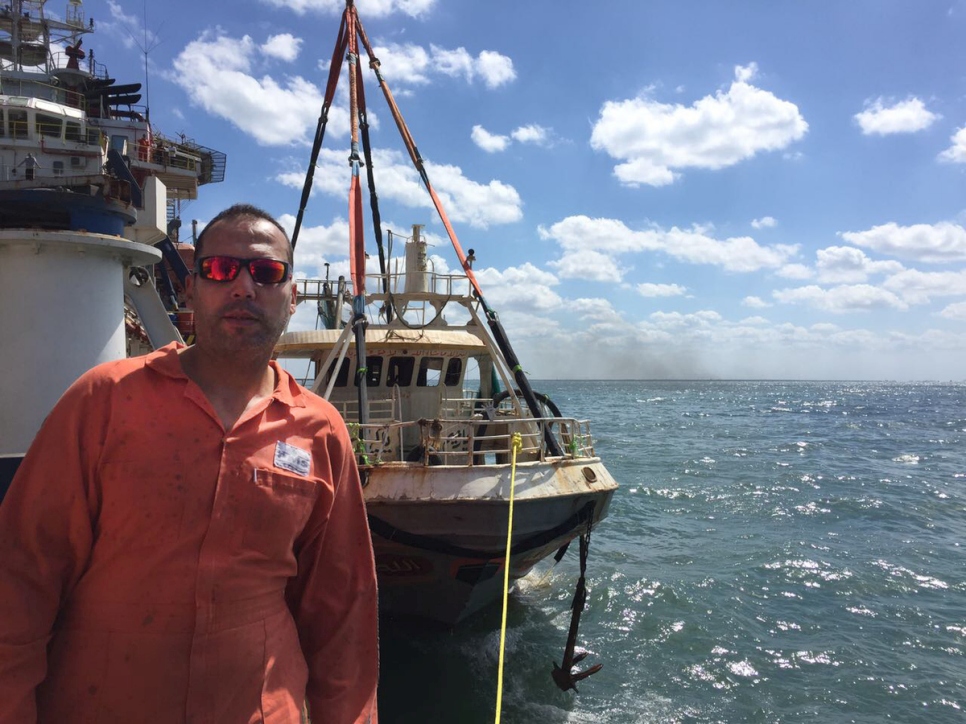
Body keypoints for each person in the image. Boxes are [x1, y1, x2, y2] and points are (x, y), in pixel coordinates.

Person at [0, 204, 379, 723]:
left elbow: (342, 613)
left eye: (266, 272)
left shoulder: (320, 430)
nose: (244, 286)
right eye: (221, 269)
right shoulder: (104, 400)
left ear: (292, 298)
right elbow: (20, 579)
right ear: (189, 291)